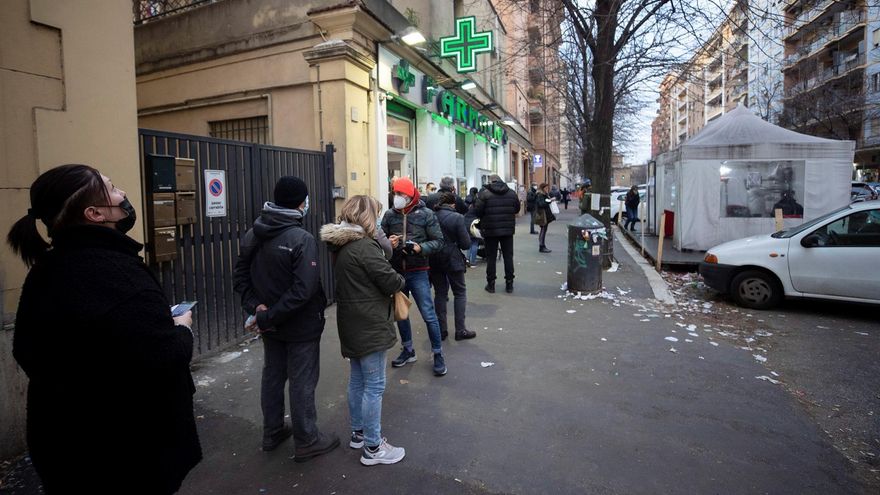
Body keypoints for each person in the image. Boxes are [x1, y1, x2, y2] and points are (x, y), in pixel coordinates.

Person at [8, 164, 202, 493]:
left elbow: (27, 350)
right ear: (95, 213)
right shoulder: (116, 273)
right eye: (112, 188)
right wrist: (181, 328)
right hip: (123, 454)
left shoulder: (47, 269)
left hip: (61, 445)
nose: (123, 194)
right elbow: (165, 357)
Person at [233, 176, 340, 461]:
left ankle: (272, 431)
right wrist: (267, 315)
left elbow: (240, 277)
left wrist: (257, 309)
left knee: (273, 375)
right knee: (302, 380)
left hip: (271, 322)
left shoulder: (253, 232)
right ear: (301, 202)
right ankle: (307, 439)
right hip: (299, 324)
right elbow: (304, 289)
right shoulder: (300, 238)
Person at [319, 195, 407, 466]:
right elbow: (390, 280)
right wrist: (400, 277)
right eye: (376, 214)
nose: (379, 219)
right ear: (368, 216)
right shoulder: (365, 247)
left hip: (352, 321)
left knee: (358, 381)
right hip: (369, 323)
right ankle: (373, 447)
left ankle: (359, 433)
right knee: (374, 386)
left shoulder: (342, 246)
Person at [381, 177, 448, 376]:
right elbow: (380, 240)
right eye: (395, 193)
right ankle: (408, 349)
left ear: (410, 194)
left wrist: (421, 247)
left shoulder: (426, 214)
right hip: (397, 272)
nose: (397, 197)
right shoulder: (389, 215)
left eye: (400, 194)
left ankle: (438, 353)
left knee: (428, 314)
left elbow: (439, 241)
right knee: (401, 314)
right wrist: (389, 243)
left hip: (418, 271)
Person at [429, 191, 477, 341]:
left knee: (440, 293)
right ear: (453, 204)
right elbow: (465, 243)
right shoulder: (457, 217)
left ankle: (441, 330)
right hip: (452, 258)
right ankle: (460, 330)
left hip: (434, 257)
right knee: (460, 292)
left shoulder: (431, 216)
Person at [474, 174, 521, 293]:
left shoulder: (484, 194)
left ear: (491, 182)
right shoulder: (511, 193)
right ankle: (509, 284)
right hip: (507, 230)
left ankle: (491, 284)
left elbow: (478, 211)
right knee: (508, 257)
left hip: (490, 230)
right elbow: (517, 209)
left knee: (491, 258)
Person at [535, 183, 557, 253]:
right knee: (543, 230)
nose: (547, 189)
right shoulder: (540, 194)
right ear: (543, 188)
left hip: (544, 214)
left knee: (543, 230)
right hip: (542, 214)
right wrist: (550, 201)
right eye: (546, 187)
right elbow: (541, 204)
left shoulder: (542, 194)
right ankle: (542, 246)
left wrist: (549, 200)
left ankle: (542, 245)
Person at [464, 187, 481, 267]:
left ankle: (467, 259)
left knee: (469, 242)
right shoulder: (476, 203)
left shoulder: (465, 201)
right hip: (474, 224)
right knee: (475, 243)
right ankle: (472, 262)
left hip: (465, 223)